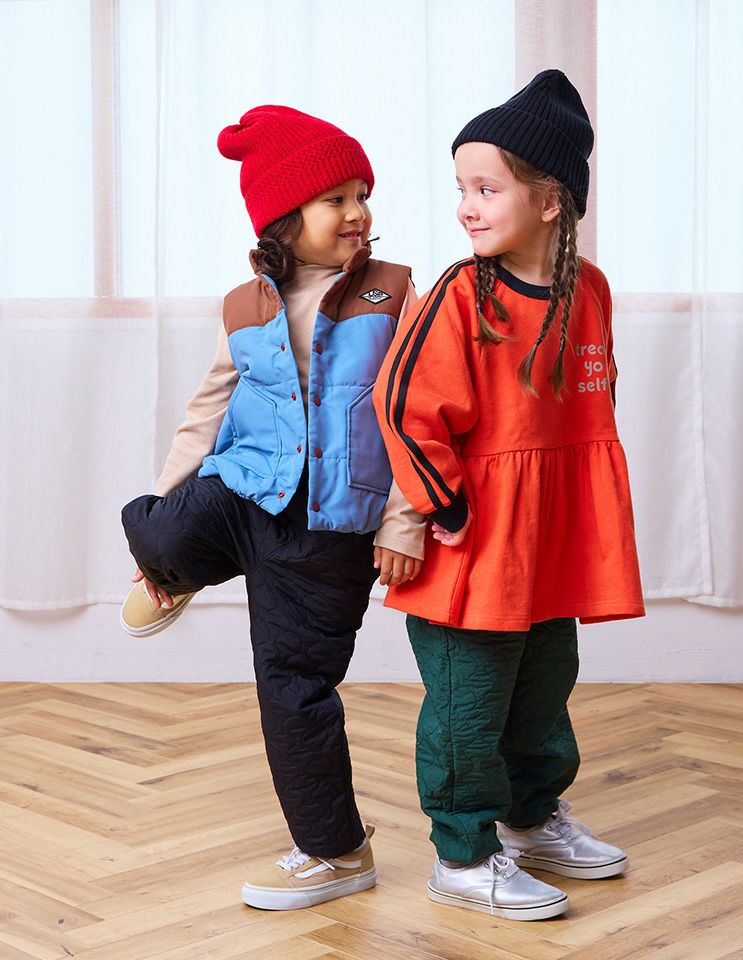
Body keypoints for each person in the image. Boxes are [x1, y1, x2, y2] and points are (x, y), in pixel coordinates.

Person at [119, 105, 425, 910]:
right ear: (284, 218)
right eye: (336, 199)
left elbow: (417, 414)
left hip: (325, 530)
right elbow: (206, 409)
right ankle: (173, 571)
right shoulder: (243, 305)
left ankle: (336, 853)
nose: (358, 213)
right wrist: (163, 515)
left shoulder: (395, 295)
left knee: (291, 688)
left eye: (362, 195)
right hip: (244, 489)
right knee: (152, 525)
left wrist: (403, 521)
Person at [374, 70, 644, 921]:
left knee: (545, 685)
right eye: (461, 189)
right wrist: (439, 508)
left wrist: (581, 513)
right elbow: (403, 404)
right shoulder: (461, 296)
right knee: (471, 701)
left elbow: (592, 405)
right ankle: (462, 853)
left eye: (486, 189)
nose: (466, 207)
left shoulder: (589, 290)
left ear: (551, 200)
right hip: (477, 544)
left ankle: (532, 819)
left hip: (551, 540)